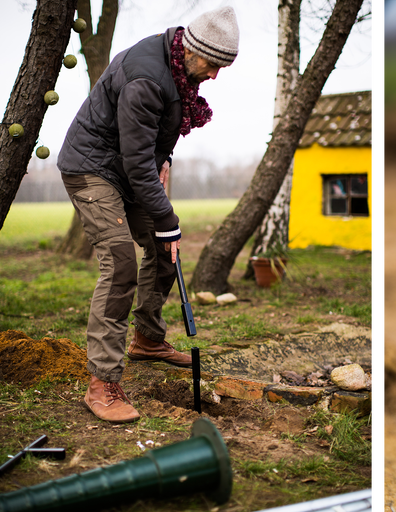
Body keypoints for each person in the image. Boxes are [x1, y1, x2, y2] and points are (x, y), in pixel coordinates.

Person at [57, 7, 240, 423]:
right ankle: (102, 383)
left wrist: (165, 160)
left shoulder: (177, 72)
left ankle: (148, 338)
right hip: (92, 169)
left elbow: (152, 140)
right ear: (192, 50)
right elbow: (136, 160)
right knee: (121, 261)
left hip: (129, 168)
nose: (214, 76)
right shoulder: (147, 77)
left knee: (164, 247)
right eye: (213, 65)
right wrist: (166, 211)